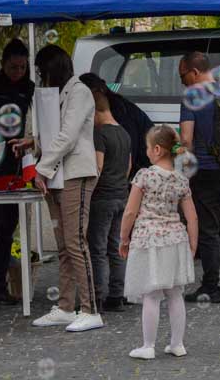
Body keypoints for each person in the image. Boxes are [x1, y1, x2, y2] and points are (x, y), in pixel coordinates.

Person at [30, 44, 104, 332]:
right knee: (64, 245)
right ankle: (65, 306)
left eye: (42, 72)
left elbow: (68, 136)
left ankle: (90, 309)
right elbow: (53, 134)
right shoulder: (58, 94)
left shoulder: (79, 92)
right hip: (57, 175)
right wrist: (33, 144)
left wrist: (42, 167)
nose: (40, 78)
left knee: (75, 242)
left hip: (75, 173)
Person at [120, 126, 198, 360]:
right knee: (175, 293)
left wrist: (124, 238)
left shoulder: (144, 176)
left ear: (156, 149)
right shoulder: (181, 179)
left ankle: (148, 346)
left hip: (149, 240)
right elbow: (192, 217)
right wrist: (193, 244)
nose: (146, 151)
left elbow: (130, 211)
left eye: (147, 147)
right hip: (176, 239)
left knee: (152, 294)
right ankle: (177, 344)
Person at [178, 50, 220, 304]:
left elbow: (186, 140)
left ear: (194, 72)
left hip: (205, 171)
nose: (182, 82)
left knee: (209, 231)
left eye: (183, 76)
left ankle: (211, 287)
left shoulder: (191, 97)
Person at [0, 39, 35, 306]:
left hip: (14, 165)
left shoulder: (29, 87)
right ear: (3, 64)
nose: (18, 72)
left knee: (7, 228)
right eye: (13, 67)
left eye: (22, 67)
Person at [80, 73, 132, 313]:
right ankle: (117, 295)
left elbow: (97, 166)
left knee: (97, 249)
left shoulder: (99, 133)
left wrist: (88, 190)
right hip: (122, 195)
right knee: (116, 247)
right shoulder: (124, 132)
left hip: (102, 198)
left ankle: (97, 296)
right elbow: (129, 166)